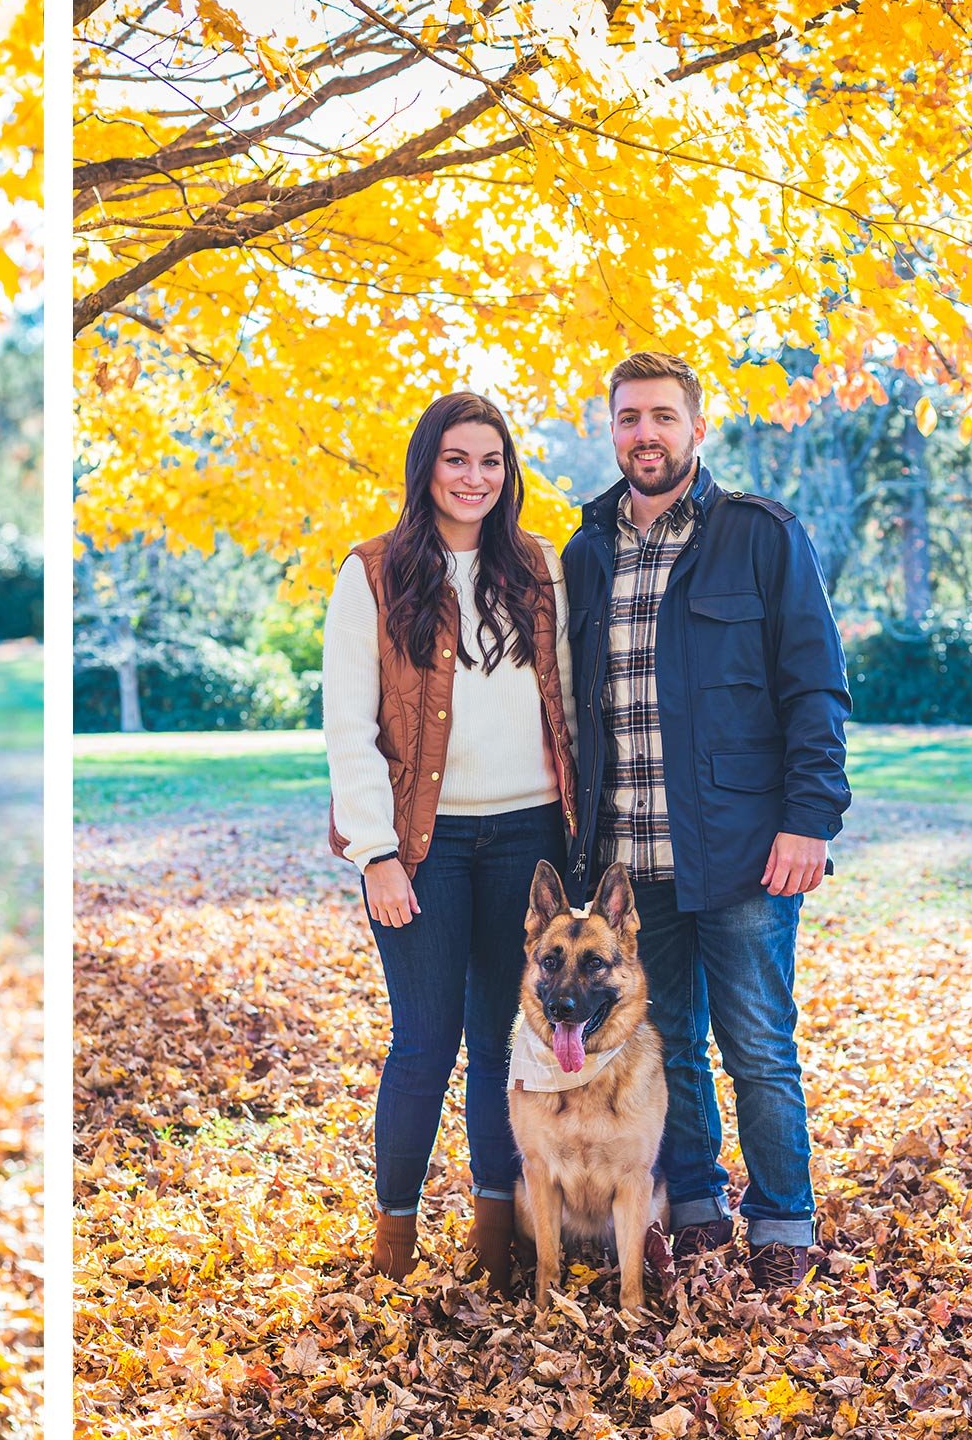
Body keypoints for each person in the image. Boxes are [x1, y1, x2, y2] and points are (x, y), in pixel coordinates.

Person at [561, 350, 851, 1289]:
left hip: (742, 854)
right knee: (664, 1041)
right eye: (628, 418)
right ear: (612, 430)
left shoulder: (760, 537)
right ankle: (695, 1207)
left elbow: (815, 689)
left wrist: (810, 821)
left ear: (696, 427)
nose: (644, 433)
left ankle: (783, 1221)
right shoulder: (587, 548)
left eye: (662, 416)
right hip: (630, 866)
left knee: (759, 1044)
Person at [322, 390, 578, 1292]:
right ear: (426, 465)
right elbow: (348, 727)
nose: (475, 478)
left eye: (492, 461)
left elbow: (570, 704)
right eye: (457, 459)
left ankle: (495, 1236)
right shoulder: (375, 572)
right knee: (424, 1043)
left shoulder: (540, 569)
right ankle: (394, 1241)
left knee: (502, 1040)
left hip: (529, 839)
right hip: (421, 847)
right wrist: (376, 853)